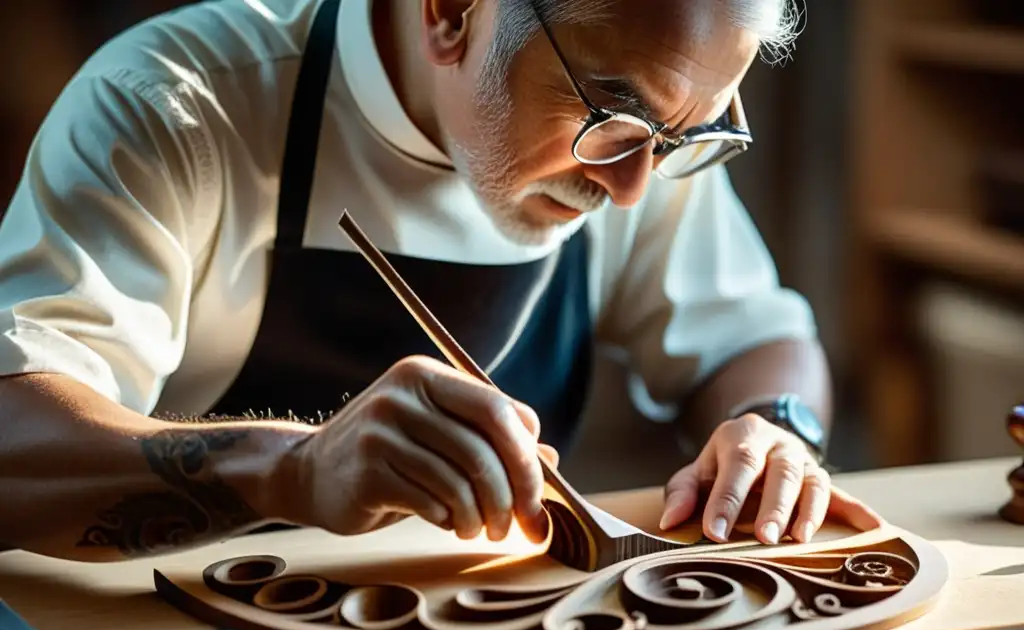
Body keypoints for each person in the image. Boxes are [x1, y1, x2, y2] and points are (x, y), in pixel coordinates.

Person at [0, 0, 879, 563]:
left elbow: (756, 337)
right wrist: (291, 471)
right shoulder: (173, 104)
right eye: (613, 116)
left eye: (686, 137)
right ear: (452, 12)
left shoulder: (645, 140)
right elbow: (12, 443)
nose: (633, 188)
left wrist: (776, 430)